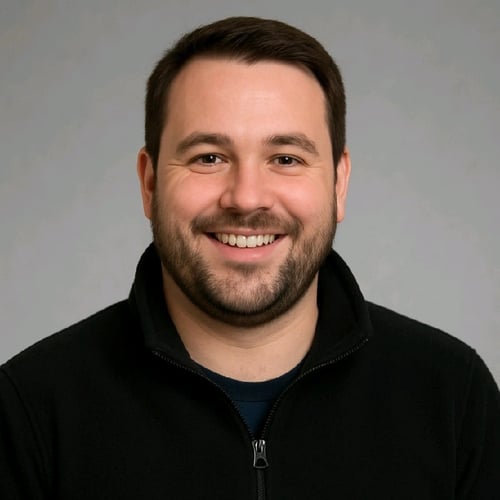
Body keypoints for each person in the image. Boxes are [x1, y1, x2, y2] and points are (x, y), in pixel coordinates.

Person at [1, 16, 499, 499]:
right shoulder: (29, 410)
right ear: (149, 183)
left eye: (286, 158)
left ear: (338, 183)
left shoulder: (454, 397)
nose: (246, 198)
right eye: (208, 158)